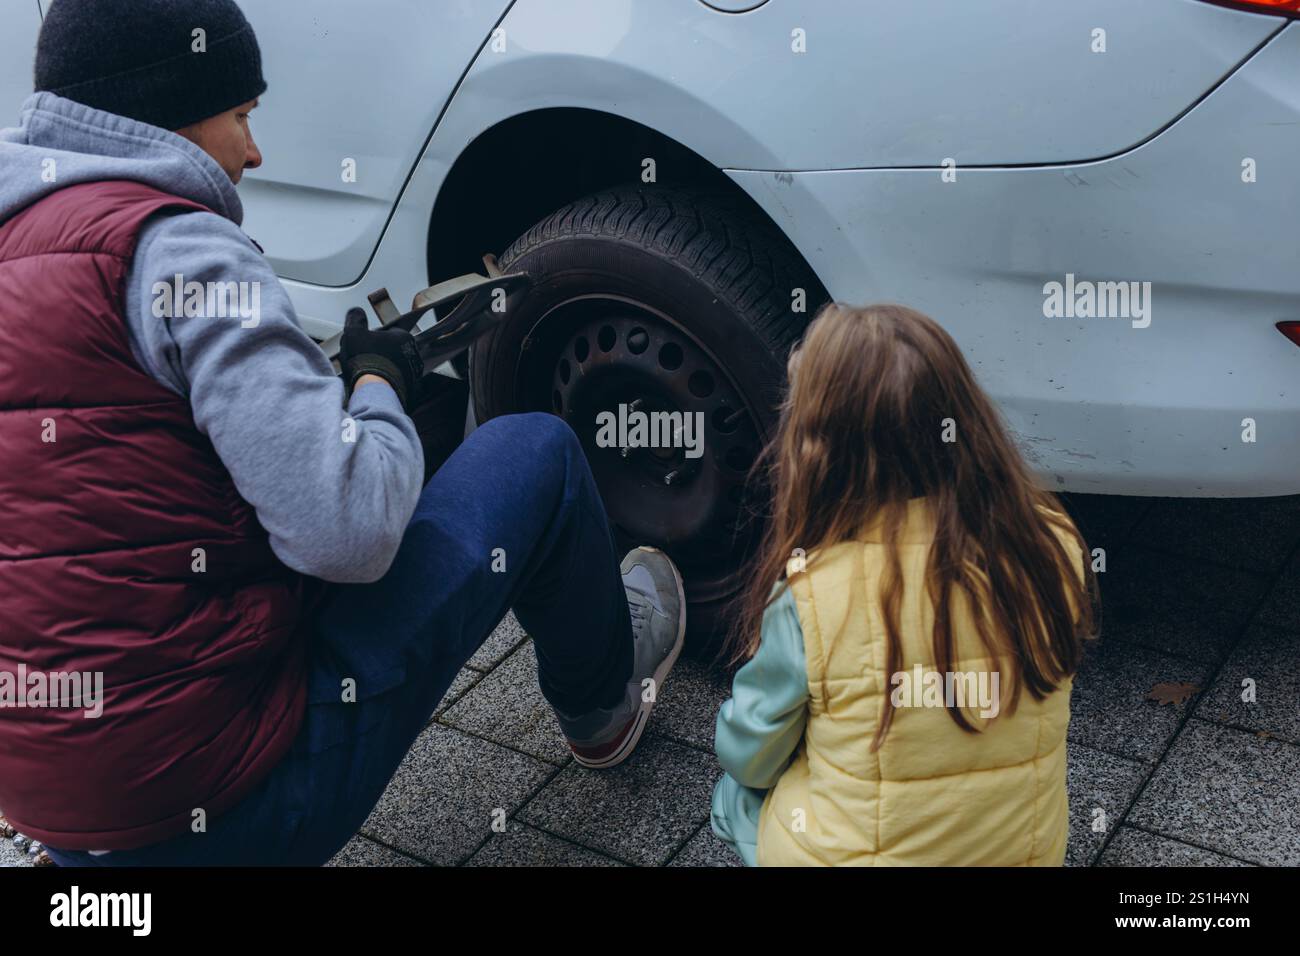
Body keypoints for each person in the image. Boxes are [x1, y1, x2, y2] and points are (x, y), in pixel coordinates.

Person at [0, 0, 684, 867]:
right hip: (223, 810)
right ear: (171, 109)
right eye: (243, 117)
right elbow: (349, 533)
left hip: (64, 811)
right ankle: (606, 705)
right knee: (535, 453)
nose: (254, 152)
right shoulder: (180, 254)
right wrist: (377, 385)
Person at [710, 303, 1097, 866]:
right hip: (1027, 855)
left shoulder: (814, 592)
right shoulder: (1050, 543)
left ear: (820, 453)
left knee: (736, 795)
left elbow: (750, 754)